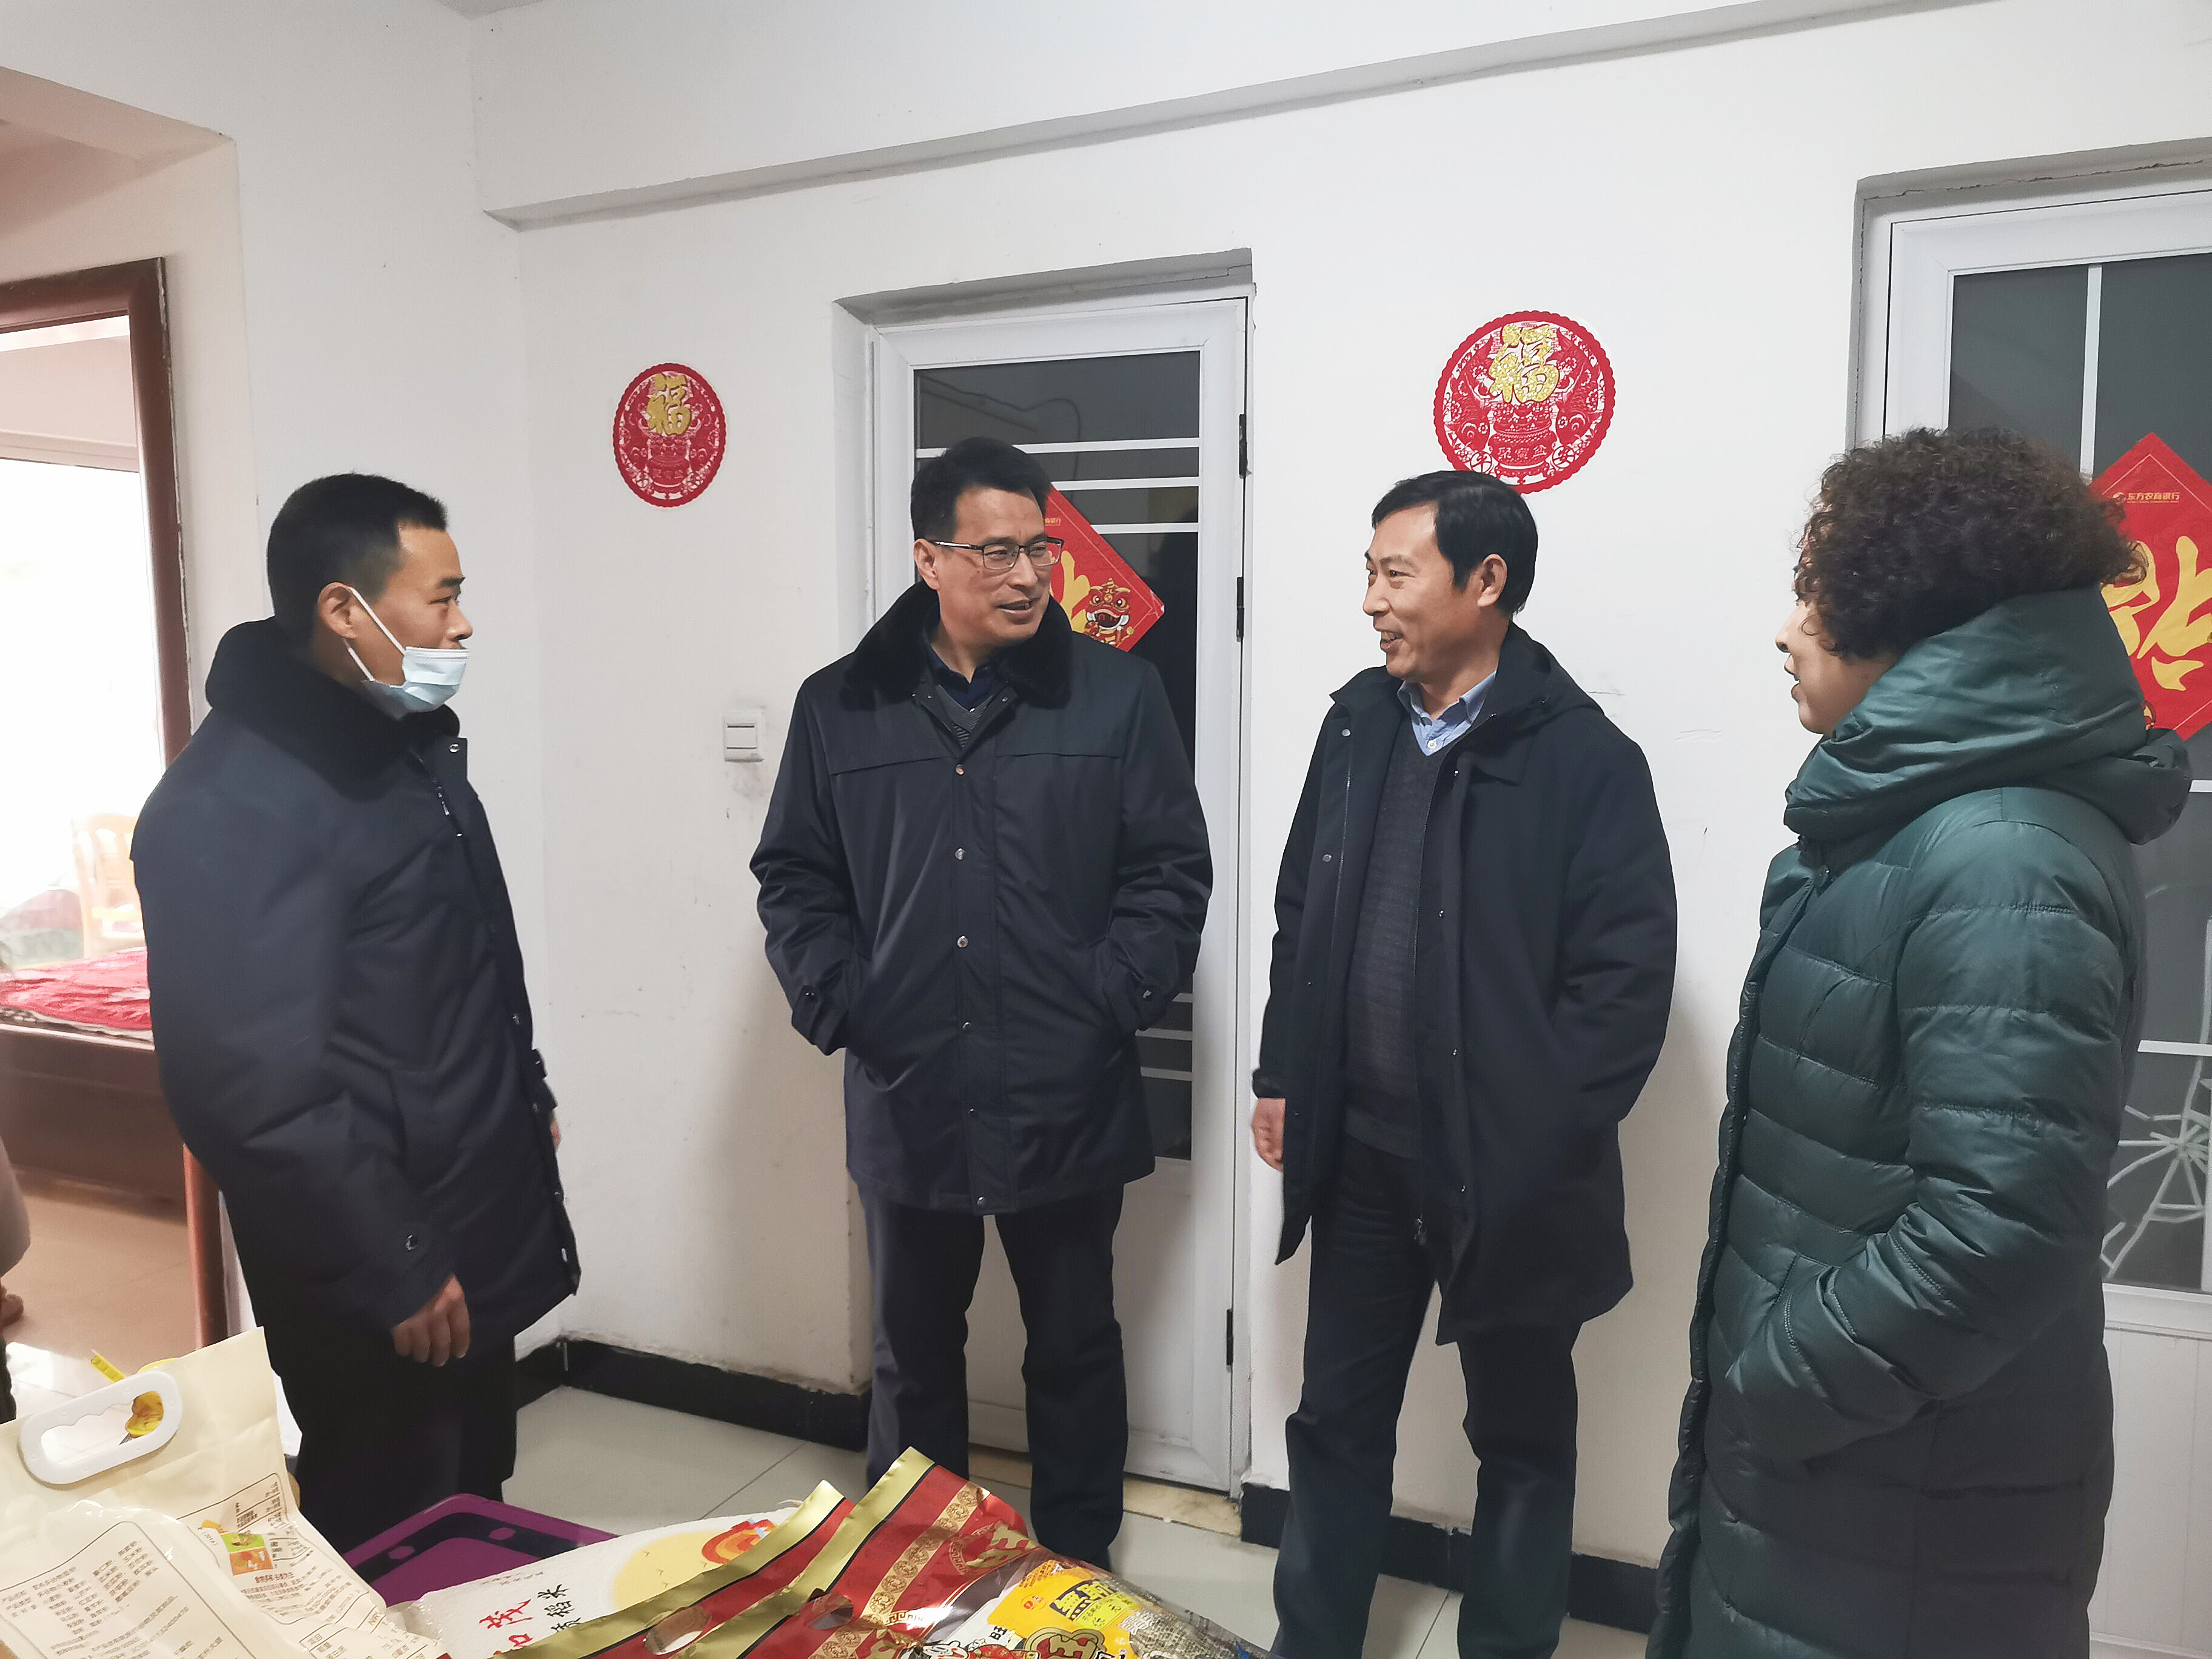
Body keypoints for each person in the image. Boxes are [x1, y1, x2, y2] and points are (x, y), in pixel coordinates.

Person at [1648, 428, 2188, 1659]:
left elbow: (2000, 1235)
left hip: (1896, 1495)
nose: (1786, 631)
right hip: (1861, 1475)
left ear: (1913, 613)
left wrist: (1776, 1383)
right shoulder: (1924, 824)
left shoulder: (2001, 855)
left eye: (1817, 594)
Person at [753, 435, 1210, 1566]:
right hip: (911, 1088)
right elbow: (796, 877)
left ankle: (1080, 1564)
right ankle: (920, 1565)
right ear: (929, 559)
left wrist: (1109, 996)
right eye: (995, 551)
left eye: (1039, 549)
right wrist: (845, 1003)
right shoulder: (840, 706)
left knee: (1075, 1346)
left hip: (1066, 1085)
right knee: (912, 1354)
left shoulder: (1117, 695)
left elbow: (1169, 871)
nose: (1026, 574)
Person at [1253, 471, 1677, 1659]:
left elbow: (1624, 987)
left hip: (1509, 1175)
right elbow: (1302, 913)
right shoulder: (1357, 726)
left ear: (1486, 581)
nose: (1372, 602)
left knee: (1523, 1443)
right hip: (1362, 1155)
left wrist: (1536, 1134)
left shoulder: (1585, 759)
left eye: (1396, 575)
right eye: (1369, 574)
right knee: (1336, 1420)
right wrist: (1283, 1072)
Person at [135, 474, 577, 1552]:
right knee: (390, 1530)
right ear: (345, 610)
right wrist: (396, 1257)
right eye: (443, 596)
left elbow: (452, 965)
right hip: (378, 1261)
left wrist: (525, 1094)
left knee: (471, 1510)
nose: (463, 624)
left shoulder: (400, 747)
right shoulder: (232, 805)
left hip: (459, 1209)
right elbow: (247, 1089)